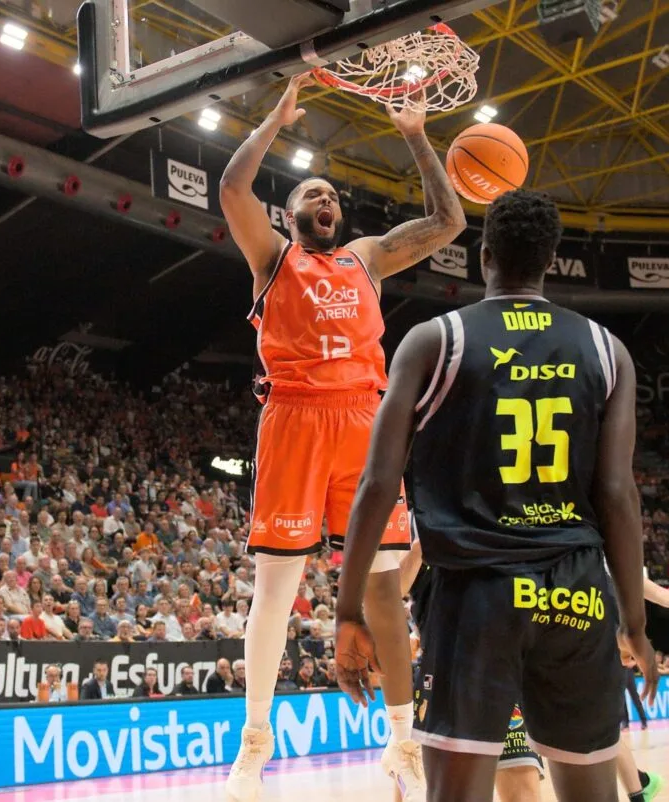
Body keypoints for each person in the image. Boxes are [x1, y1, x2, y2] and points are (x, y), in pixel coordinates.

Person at [332, 189, 658, 802]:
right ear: (551, 260)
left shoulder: (433, 341)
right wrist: (634, 623)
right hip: (577, 588)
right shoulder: (606, 349)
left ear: (484, 257)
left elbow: (377, 484)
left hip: (474, 592)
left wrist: (349, 608)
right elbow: (618, 495)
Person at [219, 73, 465, 802]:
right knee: (277, 590)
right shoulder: (271, 259)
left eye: (331, 194)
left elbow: (447, 223)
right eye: (309, 194)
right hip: (293, 419)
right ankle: (254, 745)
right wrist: (276, 119)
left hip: (363, 419)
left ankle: (402, 744)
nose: (324, 199)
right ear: (289, 214)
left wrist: (419, 138)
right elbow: (234, 187)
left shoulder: (364, 259)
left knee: (387, 590)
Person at [396, 539, 669, 802]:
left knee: (529, 786)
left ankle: (638, 789)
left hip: (528, 669)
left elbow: (658, 594)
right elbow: (392, 589)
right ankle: (639, 786)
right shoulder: (434, 533)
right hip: (452, 681)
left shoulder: (576, 550)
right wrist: (424, 540)